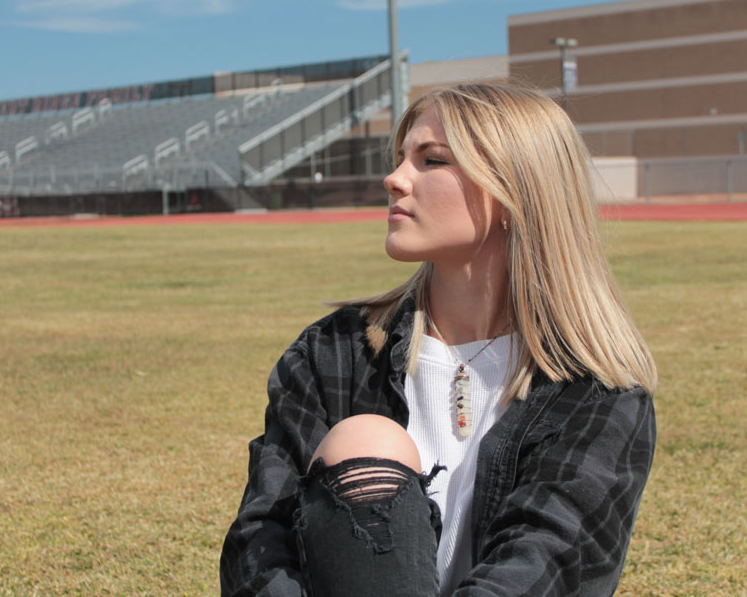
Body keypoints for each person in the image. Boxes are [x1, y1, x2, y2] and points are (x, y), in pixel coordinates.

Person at [221, 83, 657, 597]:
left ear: (514, 192)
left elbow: (546, 565)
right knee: (366, 441)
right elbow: (260, 542)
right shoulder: (335, 352)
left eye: (431, 161)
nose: (394, 178)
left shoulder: (595, 392)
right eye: (402, 157)